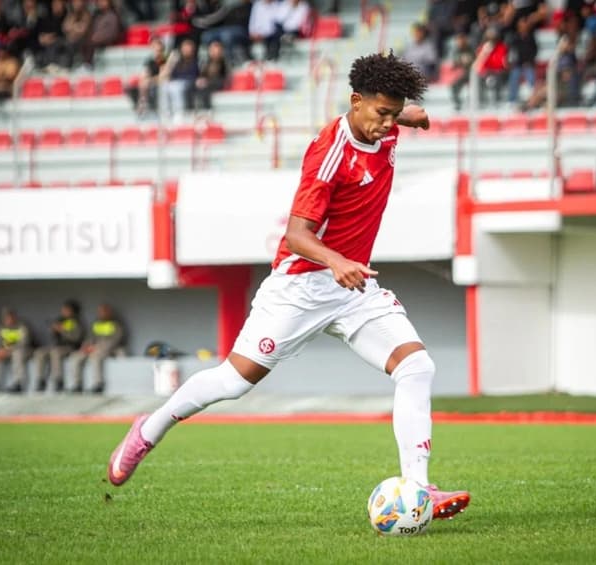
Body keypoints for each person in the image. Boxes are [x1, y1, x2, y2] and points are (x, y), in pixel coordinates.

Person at [106, 52, 471, 522]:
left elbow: (401, 113)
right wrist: (337, 260)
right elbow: (297, 235)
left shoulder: (387, 119)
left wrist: (410, 115)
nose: (387, 123)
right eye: (381, 113)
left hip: (354, 286)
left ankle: (419, 490)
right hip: (301, 287)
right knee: (234, 382)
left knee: (417, 367)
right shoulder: (329, 153)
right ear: (355, 103)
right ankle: (147, 430)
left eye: (392, 112)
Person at [69, 303, 125, 394]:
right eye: (100, 311)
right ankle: (77, 384)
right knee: (75, 357)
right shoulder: (96, 323)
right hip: (93, 348)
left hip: (108, 349)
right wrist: (85, 346)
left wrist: (95, 348)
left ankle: (98, 384)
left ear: (109, 312)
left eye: (104, 311)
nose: (101, 313)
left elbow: (115, 340)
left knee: (95, 357)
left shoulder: (116, 324)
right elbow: (89, 338)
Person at [33, 300, 85, 393]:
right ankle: (40, 380)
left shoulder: (76, 322)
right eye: (63, 309)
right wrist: (53, 330)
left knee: (55, 353)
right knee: (39, 352)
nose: (63, 311)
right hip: (57, 346)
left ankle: (58, 380)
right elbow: (53, 336)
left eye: (66, 309)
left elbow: (76, 338)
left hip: (71, 347)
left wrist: (62, 330)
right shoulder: (60, 320)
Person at [0, 308, 33, 393]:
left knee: (17, 354)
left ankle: (18, 383)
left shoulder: (22, 327)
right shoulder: (0, 328)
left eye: (10, 317)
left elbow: (24, 343)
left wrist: (8, 350)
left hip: (23, 351)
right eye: (6, 317)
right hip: (7, 352)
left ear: (14, 317)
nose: (8, 319)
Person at [160, 38, 199, 121]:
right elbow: (166, 75)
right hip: (176, 82)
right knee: (164, 86)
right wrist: (170, 61)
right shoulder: (177, 61)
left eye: (189, 48)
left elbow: (197, 75)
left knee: (176, 87)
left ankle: (179, 112)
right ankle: (165, 113)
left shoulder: (196, 60)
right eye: (184, 48)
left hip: (190, 82)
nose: (186, 50)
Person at [126, 36, 166, 115]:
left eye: (157, 45)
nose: (155, 48)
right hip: (151, 81)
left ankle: (143, 104)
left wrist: (149, 80)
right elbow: (145, 73)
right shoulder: (150, 60)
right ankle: (141, 103)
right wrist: (145, 78)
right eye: (153, 46)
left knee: (145, 83)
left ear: (161, 46)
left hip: (162, 81)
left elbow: (163, 75)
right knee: (130, 87)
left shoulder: (164, 58)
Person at [80, 0, 122, 68]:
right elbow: (92, 30)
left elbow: (113, 33)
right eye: (99, 1)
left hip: (108, 41)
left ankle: (88, 65)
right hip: (96, 40)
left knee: (90, 43)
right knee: (81, 41)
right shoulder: (97, 16)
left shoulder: (113, 15)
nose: (101, 3)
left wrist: (99, 37)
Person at [506, 15, 537, 105]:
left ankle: (532, 99)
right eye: (522, 24)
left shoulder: (531, 37)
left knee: (531, 76)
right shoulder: (515, 37)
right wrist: (516, 62)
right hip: (518, 64)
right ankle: (512, 100)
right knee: (514, 76)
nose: (524, 26)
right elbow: (513, 52)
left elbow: (534, 50)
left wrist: (529, 61)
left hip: (528, 64)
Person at [476, 27, 508, 105]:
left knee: (498, 76)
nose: (491, 39)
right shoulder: (482, 48)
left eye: (493, 37)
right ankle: (481, 101)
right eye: (489, 37)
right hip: (486, 71)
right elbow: (479, 63)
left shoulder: (502, 47)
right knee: (479, 78)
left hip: (498, 71)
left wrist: (495, 68)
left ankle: (498, 100)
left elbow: (501, 63)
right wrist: (485, 52)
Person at [35, 0, 69, 72]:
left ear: (63, 5)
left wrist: (53, 38)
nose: (56, 6)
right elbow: (40, 34)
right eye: (54, 4)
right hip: (46, 47)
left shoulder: (67, 17)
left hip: (62, 46)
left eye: (59, 4)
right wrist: (42, 38)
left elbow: (65, 34)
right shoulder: (46, 18)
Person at [194, 39, 228, 111]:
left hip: (221, 82)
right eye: (212, 49)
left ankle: (207, 110)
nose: (215, 52)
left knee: (206, 87)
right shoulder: (207, 62)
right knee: (194, 85)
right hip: (209, 83)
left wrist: (207, 82)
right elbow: (202, 75)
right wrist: (200, 80)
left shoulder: (225, 62)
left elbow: (225, 77)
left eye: (217, 49)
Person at [449, 32, 476, 110]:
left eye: (461, 40)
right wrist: (461, 61)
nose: (460, 42)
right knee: (453, 85)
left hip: (472, 74)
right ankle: (457, 103)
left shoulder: (471, 49)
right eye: (458, 40)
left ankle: (478, 102)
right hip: (461, 74)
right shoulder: (455, 50)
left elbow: (475, 61)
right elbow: (454, 63)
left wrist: (466, 61)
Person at [63, 0, 93, 68]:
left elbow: (82, 30)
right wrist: (76, 26)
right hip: (71, 41)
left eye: (78, 2)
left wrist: (73, 27)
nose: (77, 4)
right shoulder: (71, 15)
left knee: (72, 43)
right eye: (75, 2)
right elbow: (65, 27)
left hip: (84, 41)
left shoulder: (86, 14)